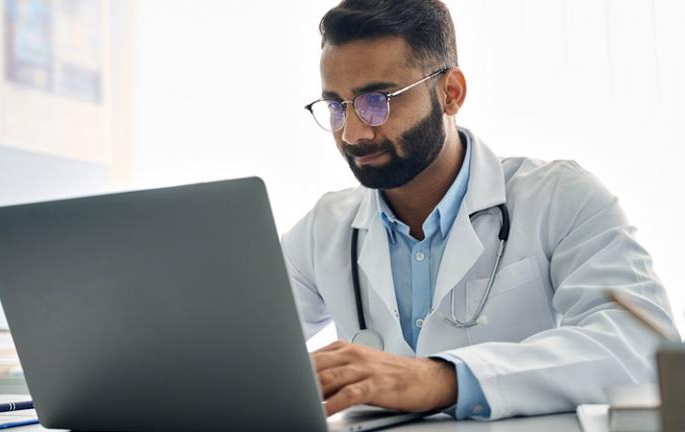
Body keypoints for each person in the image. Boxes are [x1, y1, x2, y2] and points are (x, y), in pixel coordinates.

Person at [281, 0, 680, 420]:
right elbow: (239, 352)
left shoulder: (560, 198)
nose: (354, 131)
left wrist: (439, 379)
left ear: (450, 93)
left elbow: (641, 348)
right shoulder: (321, 232)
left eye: (377, 100)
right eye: (336, 106)